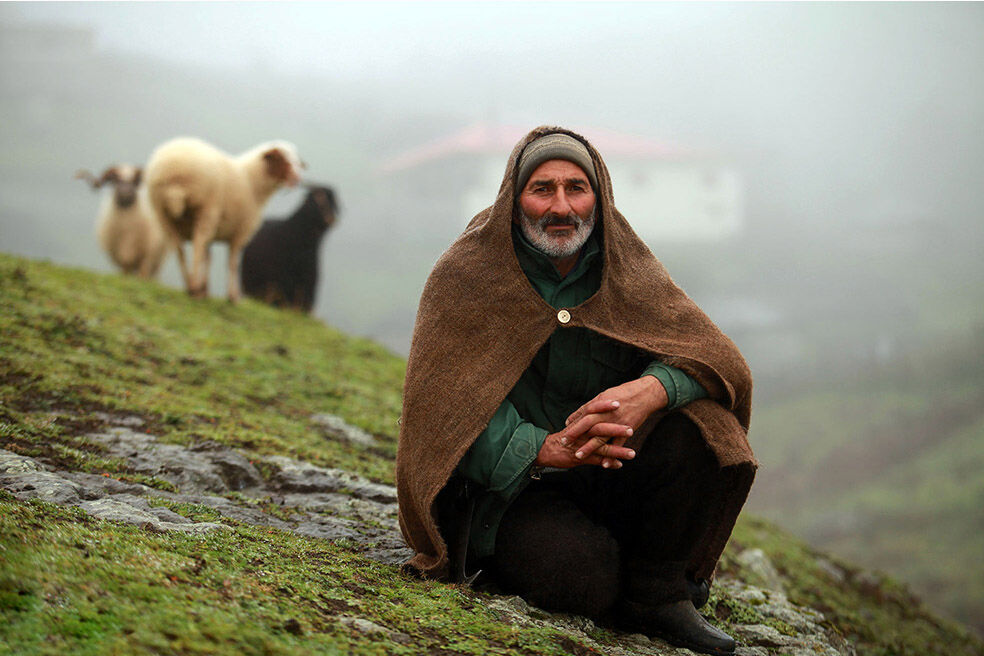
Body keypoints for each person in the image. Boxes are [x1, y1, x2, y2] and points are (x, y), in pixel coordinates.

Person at [396, 126, 755, 656]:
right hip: (512, 494)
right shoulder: (467, 275)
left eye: (575, 188)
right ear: (513, 199)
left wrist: (652, 390)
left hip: (610, 471)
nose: (560, 206)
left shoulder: (626, 268)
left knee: (705, 426)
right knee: (582, 581)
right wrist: (542, 448)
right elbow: (439, 414)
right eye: (542, 189)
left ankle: (658, 594)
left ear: (599, 196)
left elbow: (716, 359)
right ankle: (607, 573)